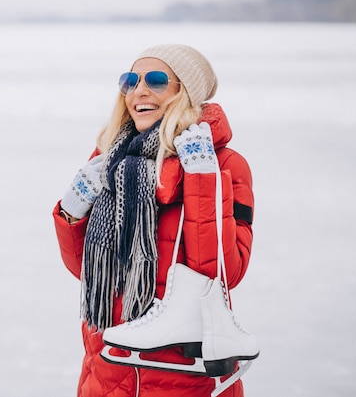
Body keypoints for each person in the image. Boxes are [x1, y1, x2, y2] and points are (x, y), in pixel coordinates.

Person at [52, 44, 254, 397]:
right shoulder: (109, 158)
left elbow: (224, 274)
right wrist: (72, 211)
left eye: (157, 80)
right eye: (130, 81)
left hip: (184, 376)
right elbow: (87, 271)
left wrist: (203, 180)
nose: (139, 91)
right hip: (107, 370)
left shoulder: (225, 165)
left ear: (185, 93)